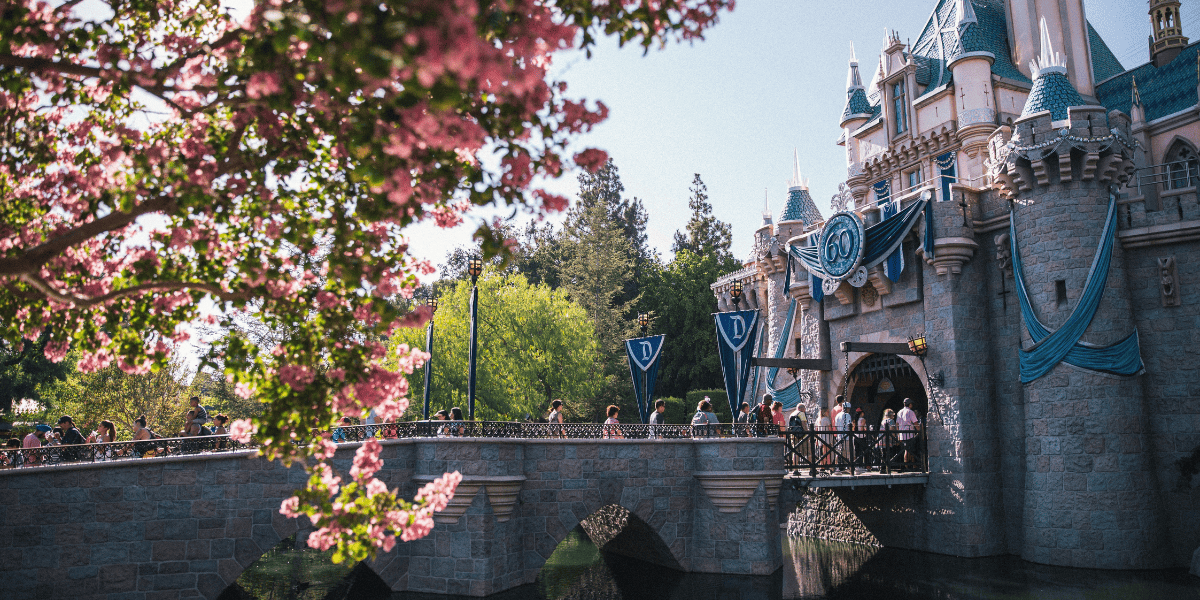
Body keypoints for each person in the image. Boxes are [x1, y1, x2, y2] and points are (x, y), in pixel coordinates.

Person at [896, 398, 921, 469]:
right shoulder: (910, 412)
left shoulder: (899, 412)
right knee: (910, 450)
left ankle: (908, 465)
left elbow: (897, 424)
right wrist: (919, 431)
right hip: (909, 434)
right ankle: (911, 466)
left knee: (906, 450)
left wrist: (898, 434)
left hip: (902, 434)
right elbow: (915, 422)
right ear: (910, 404)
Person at [834, 402, 853, 474]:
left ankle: (837, 468)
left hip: (839, 436)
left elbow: (836, 426)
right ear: (847, 408)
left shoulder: (837, 415)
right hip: (846, 437)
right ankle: (851, 468)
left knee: (839, 452)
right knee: (849, 453)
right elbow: (849, 425)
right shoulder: (847, 415)